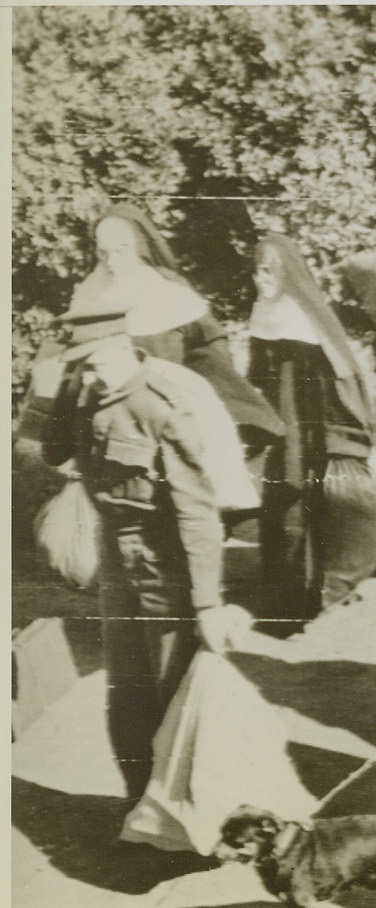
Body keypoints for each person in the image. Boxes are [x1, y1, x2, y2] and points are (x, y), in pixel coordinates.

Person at [42, 299, 246, 802]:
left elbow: (198, 510)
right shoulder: (87, 396)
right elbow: (53, 451)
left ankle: (184, 818)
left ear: (121, 345)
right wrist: (65, 388)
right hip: (117, 560)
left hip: (165, 567)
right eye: (80, 364)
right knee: (126, 694)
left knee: (171, 694)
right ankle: (140, 809)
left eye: (93, 361)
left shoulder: (161, 403)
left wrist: (207, 604)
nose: (88, 372)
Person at [248, 233, 376, 620]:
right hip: (280, 426)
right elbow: (258, 374)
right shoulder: (264, 310)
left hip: (313, 430)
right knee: (277, 505)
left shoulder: (306, 317)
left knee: (310, 504)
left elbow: (341, 381)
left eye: (269, 270)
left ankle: (312, 597)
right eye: (257, 270)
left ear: (287, 272)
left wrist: (338, 437)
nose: (261, 279)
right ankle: (282, 594)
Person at [88, 204, 284, 450]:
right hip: (115, 417)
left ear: (141, 245)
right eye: (103, 252)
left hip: (175, 410)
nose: (112, 261)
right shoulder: (94, 295)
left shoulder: (169, 288)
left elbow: (211, 344)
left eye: (122, 249)